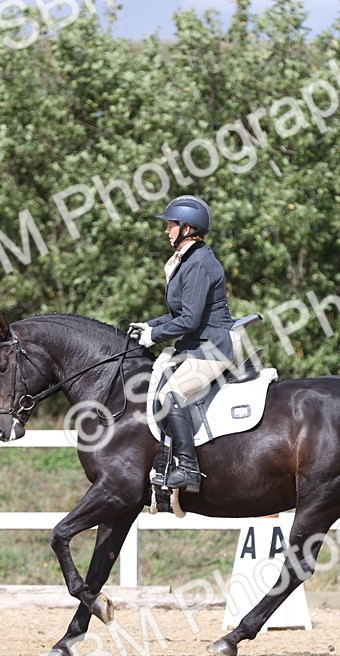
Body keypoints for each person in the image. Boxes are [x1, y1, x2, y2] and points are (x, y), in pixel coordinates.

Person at [130, 195, 237, 493]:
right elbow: (179, 312)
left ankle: (189, 471)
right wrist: (149, 325)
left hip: (212, 347)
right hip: (195, 345)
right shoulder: (187, 261)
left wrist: (155, 336)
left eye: (171, 225)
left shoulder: (200, 263)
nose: (166, 231)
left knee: (172, 396)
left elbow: (189, 320)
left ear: (188, 228)